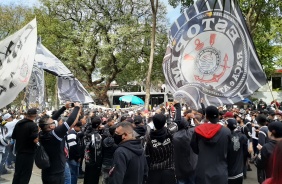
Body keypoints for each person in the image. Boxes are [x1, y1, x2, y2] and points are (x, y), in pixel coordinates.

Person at [39, 102, 81, 184]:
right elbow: (70, 120)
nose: (55, 122)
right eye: (53, 123)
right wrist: (77, 107)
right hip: (57, 174)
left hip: (46, 172)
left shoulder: (42, 133)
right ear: (51, 126)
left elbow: (50, 120)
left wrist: (64, 107)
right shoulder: (55, 134)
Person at [191, 105, 231, 184]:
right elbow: (229, 150)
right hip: (220, 171)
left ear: (206, 116)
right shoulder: (226, 132)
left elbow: (194, 147)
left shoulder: (197, 130)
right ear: (218, 116)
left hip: (203, 171)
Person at [145, 114, 176, 184]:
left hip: (154, 171)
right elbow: (177, 122)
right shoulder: (170, 133)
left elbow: (147, 156)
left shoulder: (148, 138)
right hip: (169, 169)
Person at [11, 109, 38, 184]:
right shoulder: (33, 125)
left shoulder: (19, 123)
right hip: (29, 153)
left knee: (17, 174)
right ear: (35, 115)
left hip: (19, 152)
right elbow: (35, 140)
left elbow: (14, 136)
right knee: (25, 175)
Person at [173, 102, 197, 184]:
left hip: (180, 169)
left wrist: (178, 108)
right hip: (192, 167)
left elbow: (177, 121)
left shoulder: (174, 137)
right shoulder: (192, 133)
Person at [226, 119, 248, 184]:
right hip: (239, 172)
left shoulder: (225, 138)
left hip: (228, 173)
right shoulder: (242, 136)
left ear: (227, 126)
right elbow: (245, 152)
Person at [84, 117, 103, 184]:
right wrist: (98, 164)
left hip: (87, 160)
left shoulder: (87, 133)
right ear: (98, 125)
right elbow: (97, 152)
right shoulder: (97, 136)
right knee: (93, 179)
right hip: (94, 162)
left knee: (87, 178)